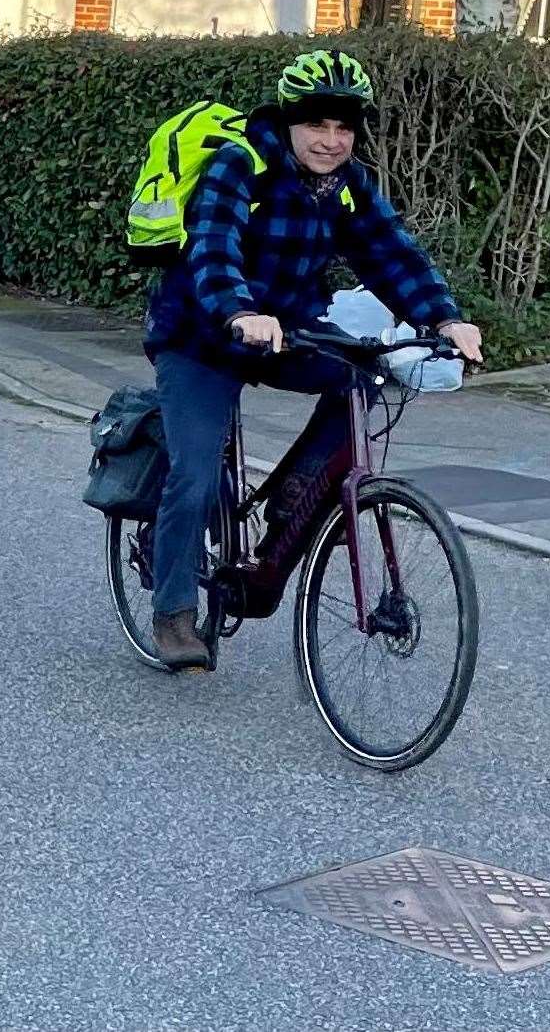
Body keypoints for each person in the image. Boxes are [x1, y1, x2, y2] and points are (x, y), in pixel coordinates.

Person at [141, 49, 483, 670]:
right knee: (193, 474)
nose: (331, 141)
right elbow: (212, 250)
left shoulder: (347, 186)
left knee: (362, 377)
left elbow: (392, 256)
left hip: (289, 331)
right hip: (201, 334)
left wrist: (445, 318)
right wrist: (239, 311)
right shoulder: (237, 165)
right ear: (289, 121)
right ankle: (173, 613)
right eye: (317, 126)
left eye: (344, 127)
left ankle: (294, 497)